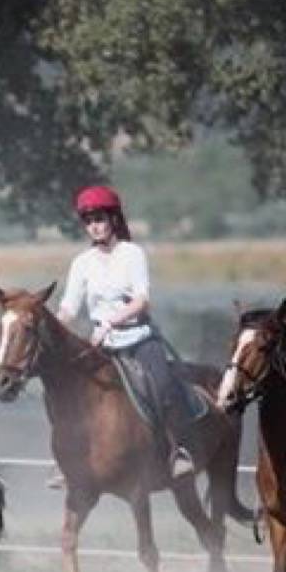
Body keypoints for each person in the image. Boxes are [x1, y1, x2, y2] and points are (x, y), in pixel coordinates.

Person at [56, 184, 198, 480]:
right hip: (102, 345)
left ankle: (177, 450)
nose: (94, 227)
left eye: (99, 219)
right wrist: (54, 329)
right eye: (88, 221)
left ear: (114, 219)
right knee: (71, 391)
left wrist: (110, 322)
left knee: (162, 385)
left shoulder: (132, 254)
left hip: (138, 338)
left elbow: (141, 301)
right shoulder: (81, 263)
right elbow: (69, 307)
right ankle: (70, 461)